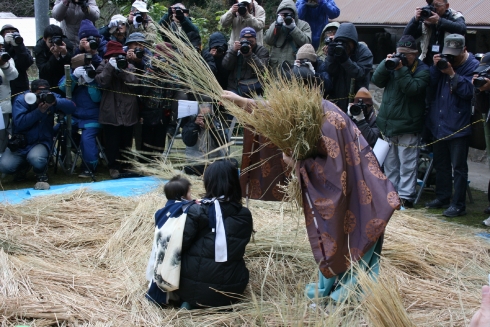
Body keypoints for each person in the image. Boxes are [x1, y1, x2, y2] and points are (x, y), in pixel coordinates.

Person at [221, 90, 398, 302]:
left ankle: (345, 295)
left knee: (350, 245)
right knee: (341, 241)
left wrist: (295, 163)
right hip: (363, 194)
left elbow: (331, 173)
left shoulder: (328, 125)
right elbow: (279, 110)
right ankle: (338, 289)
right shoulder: (319, 111)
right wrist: (241, 101)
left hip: (359, 201)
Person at [176, 160, 253, 308]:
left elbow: (179, 245)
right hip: (231, 291)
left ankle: (188, 303)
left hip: (191, 291)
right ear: (235, 182)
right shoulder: (244, 215)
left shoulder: (197, 210)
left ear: (208, 182)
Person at [371, 35, 430, 208]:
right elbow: (376, 80)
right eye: (400, 53)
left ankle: (405, 196)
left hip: (408, 125)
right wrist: (386, 63)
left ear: (415, 54)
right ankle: (391, 193)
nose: (403, 57)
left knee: (407, 163)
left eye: (407, 54)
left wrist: (400, 69)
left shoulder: (423, 70)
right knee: (390, 163)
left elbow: (412, 89)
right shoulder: (393, 66)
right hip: (389, 124)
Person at [425, 34, 479, 217]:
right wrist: (435, 66)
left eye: (454, 55)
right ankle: (443, 197)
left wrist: (452, 74)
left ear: (464, 50)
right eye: (448, 54)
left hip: (459, 125)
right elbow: (430, 84)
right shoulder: (443, 63)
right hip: (439, 123)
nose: (451, 58)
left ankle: (459, 205)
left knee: (459, 167)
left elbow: (470, 92)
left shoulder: (473, 66)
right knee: (441, 164)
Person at [0, 79, 75, 189]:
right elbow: (19, 123)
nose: (43, 95)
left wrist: (55, 101)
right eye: (40, 92)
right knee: (5, 166)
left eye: (46, 91)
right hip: (21, 142)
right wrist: (38, 112)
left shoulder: (51, 97)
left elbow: (72, 107)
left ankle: (40, 171)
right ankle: (23, 167)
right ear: (32, 91)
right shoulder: (22, 100)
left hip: (41, 141)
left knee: (36, 158)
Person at [146, 175, 193, 307]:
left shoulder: (161, 211)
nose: (191, 196)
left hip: (159, 247)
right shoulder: (186, 209)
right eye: (189, 192)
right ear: (182, 196)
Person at [95, 41, 139, 179]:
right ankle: (113, 167)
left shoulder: (129, 66)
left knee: (126, 139)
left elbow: (134, 82)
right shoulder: (103, 65)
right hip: (111, 108)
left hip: (128, 108)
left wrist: (122, 70)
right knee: (112, 141)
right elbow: (101, 81)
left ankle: (126, 165)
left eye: (119, 55)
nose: (116, 57)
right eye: (113, 56)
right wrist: (109, 67)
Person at [58, 54, 101, 177]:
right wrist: (73, 77)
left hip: (92, 117)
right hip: (73, 116)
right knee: (60, 130)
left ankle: (89, 166)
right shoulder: (70, 74)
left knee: (87, 139)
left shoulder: (95, 75)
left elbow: (97, 98)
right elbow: (63, 89)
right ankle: (66, 157)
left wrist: (91, 83)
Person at [318, 22, 373, 112]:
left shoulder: (363, 52)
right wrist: (331, 56)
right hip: (337, 98)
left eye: (347, 43)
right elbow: (330, 71)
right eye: (342, 42)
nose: (345, 46)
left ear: (354, 42)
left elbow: (360, 73)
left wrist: (345, 60)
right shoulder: (336, 49)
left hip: (357, 100)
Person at [403, 0, 466, 66]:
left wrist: (439, 21)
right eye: (432, 5)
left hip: (449, 62)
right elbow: (406, 36)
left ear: (446, 6)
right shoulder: (426, 15)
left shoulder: (455, 15)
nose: (434, 8)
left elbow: (462, 29)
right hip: (427, 61)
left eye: (437, 5)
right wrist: (415, 19)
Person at [263, 0, 311, 73]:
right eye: (282, 14)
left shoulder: (303, 25)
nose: (285, 17)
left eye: (288, 14)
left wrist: (294, 29)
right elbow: (268, 40)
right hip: (276, 67)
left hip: (294, 67)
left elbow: (307, 44)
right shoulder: (275, 24)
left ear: (294, 15)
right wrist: (277, 25)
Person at [181, 103, 227, 176]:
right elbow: (188, 142)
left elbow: (223, 144)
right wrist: (195, 125)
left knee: (232, 163)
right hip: (195, 162)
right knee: (190, 168)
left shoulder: (218, 125)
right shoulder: (190, 125)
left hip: (213, 163)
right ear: (198, 115)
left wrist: (212, 128)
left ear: (213, 116)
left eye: (208, 116)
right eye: (202, 116)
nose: (205, 118)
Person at [222, 27, 269, 95]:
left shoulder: (262, 51)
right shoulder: (235, 49)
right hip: (235, 87)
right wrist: (233, 51)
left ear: (255, 39)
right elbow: (226, 66)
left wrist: (249, 55)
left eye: (250, 41)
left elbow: (262, 69)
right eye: (245, 39)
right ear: (240, 39)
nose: (248, 43)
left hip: (254, 88)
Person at [33, 24, 74, 93]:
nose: (54, 43)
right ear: (44, 39)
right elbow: (43, 70)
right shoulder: (40, 48)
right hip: (48, 82)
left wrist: (65, 53)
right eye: (51, 40)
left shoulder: (67, 45)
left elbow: (72, 65)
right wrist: (55, 56)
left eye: (57, 39)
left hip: (64, 82)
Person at [0, 24, 34, 100]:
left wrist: (18, 46)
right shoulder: (2, 46)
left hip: (20, 84)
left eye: (13, 32)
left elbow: (26, 63)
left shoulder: (22, 48)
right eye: (7, 32)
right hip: (3, 84)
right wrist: (5, 44)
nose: (10, 34)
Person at [0, 35, 19, 154]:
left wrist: (3, 64)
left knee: (1, 135)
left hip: (2, 104)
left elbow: (13, 76)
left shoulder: (6, 59)